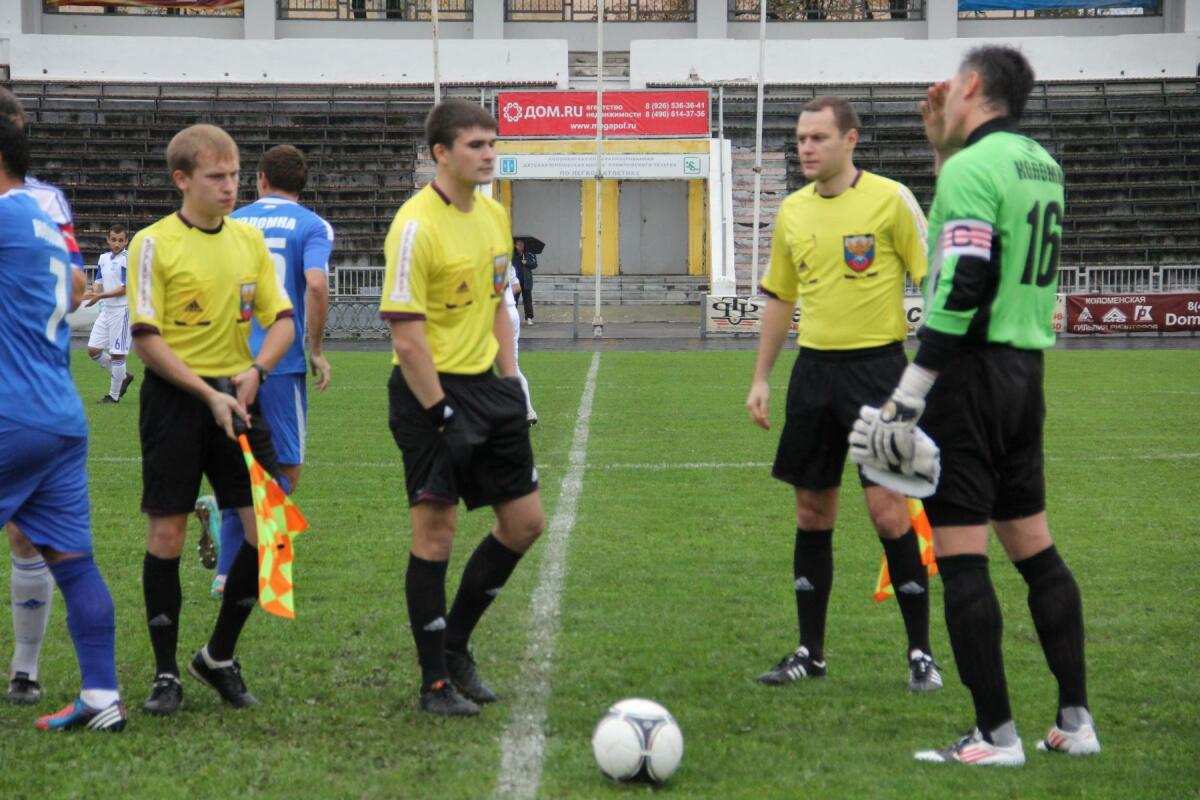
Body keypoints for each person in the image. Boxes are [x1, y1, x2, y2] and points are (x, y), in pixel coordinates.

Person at [850, 46, 1099, 765]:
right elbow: (969, 236)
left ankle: (996, 734)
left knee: (962, 559)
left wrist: (910, 392)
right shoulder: (1040, 163)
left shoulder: (972, 168)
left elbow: (961, 282)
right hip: (1025, 373)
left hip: (969, 374)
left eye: (954, 85)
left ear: (974, 85)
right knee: (1036, 550)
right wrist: (941, 151)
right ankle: (1075, 721)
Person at [745, 95, 941, 692]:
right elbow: (780, 296)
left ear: (850, 140)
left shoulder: (890, 199)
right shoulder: (793, 211)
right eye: (801, 138)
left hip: (877, 372)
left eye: (819, 138)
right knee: (812, 512)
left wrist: (937, 367)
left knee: (888, 512)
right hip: (813, 373)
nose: (806, 148)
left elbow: (934, 278)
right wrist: (761, 377)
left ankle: (921, 654)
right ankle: (811, 652)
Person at [380, 99, 545, 716]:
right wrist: (440, 412)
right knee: (436, 530)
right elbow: (406, 337)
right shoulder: (415, 226)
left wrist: (511, 378)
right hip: (428, 390)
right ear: (441, 153)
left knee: (525, 522)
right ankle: (435, 683)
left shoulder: (495, 216)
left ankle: (455, 645)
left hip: (487, 387)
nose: (488, 154)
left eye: (492, 144)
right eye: (476, 145)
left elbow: (499, 304)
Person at [126, 124, 295, 715]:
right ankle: (166, 673)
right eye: (216, 177)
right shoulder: (152, 243)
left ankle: (217, 656)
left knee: (271, 532)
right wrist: (207, 392)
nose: (229, 187)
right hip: (176, 400)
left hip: (237, 398)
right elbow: (146, 338)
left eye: (235, 175)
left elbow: (282, 321)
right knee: (168, 535)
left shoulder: (249, 241)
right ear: (182, 179)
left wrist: (257, 371)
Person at [0, 112, 126, 731]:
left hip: (8, 408)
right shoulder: (43, 216)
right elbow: (76, 285)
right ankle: (102, 695)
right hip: (57, 411)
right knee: (73, 561)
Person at [200, 144, 334, 596]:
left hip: (228, 359)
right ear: (303, 183)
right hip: (279, 364)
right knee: (286, 470)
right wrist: (316, 348)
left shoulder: (232, 222)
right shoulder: (312, 226)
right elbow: (315, 283)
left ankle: (228, 572)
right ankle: (246, 552)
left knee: (241, 461)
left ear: (260, 179)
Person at [0, 88, 85, 708]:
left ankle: (25, 670)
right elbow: (74, 284)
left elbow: (75, 285)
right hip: (43, 390)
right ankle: (27, 671)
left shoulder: (31, 202)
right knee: (33, 535)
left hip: (17, 380)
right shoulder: (44, 203)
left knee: (27, 534)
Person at [83, 223, 136, 404]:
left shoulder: (128, 259)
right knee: (93, 350)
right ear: (108, 239)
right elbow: (98, 281)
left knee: (117, 354)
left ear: (126, 241)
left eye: (121, 240)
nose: (117, 243)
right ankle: (123, 376)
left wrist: (100, 296)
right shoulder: (103, 258)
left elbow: (125, 288)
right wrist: (92, 292)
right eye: (114, 239)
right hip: (107, 310)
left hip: (122, 311)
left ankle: (113, 396)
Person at [505, 260, 538, 425]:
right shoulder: (503, 259)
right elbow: (516, 286)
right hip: (511, 311)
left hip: (498, 313)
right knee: (512, 366)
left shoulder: (481, 256)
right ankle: (528, 410)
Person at [513, 237, 537, 325]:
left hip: (526, 280)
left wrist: (526, 262)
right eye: (518, 244)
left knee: (527, 300)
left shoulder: (529, 253)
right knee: (514, 299)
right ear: (515, 245)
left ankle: (529, 317)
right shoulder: (513, 255)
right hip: (516, 281)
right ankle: (513, 317)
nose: (520, 246)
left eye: (521, 244)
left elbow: (534, 264)